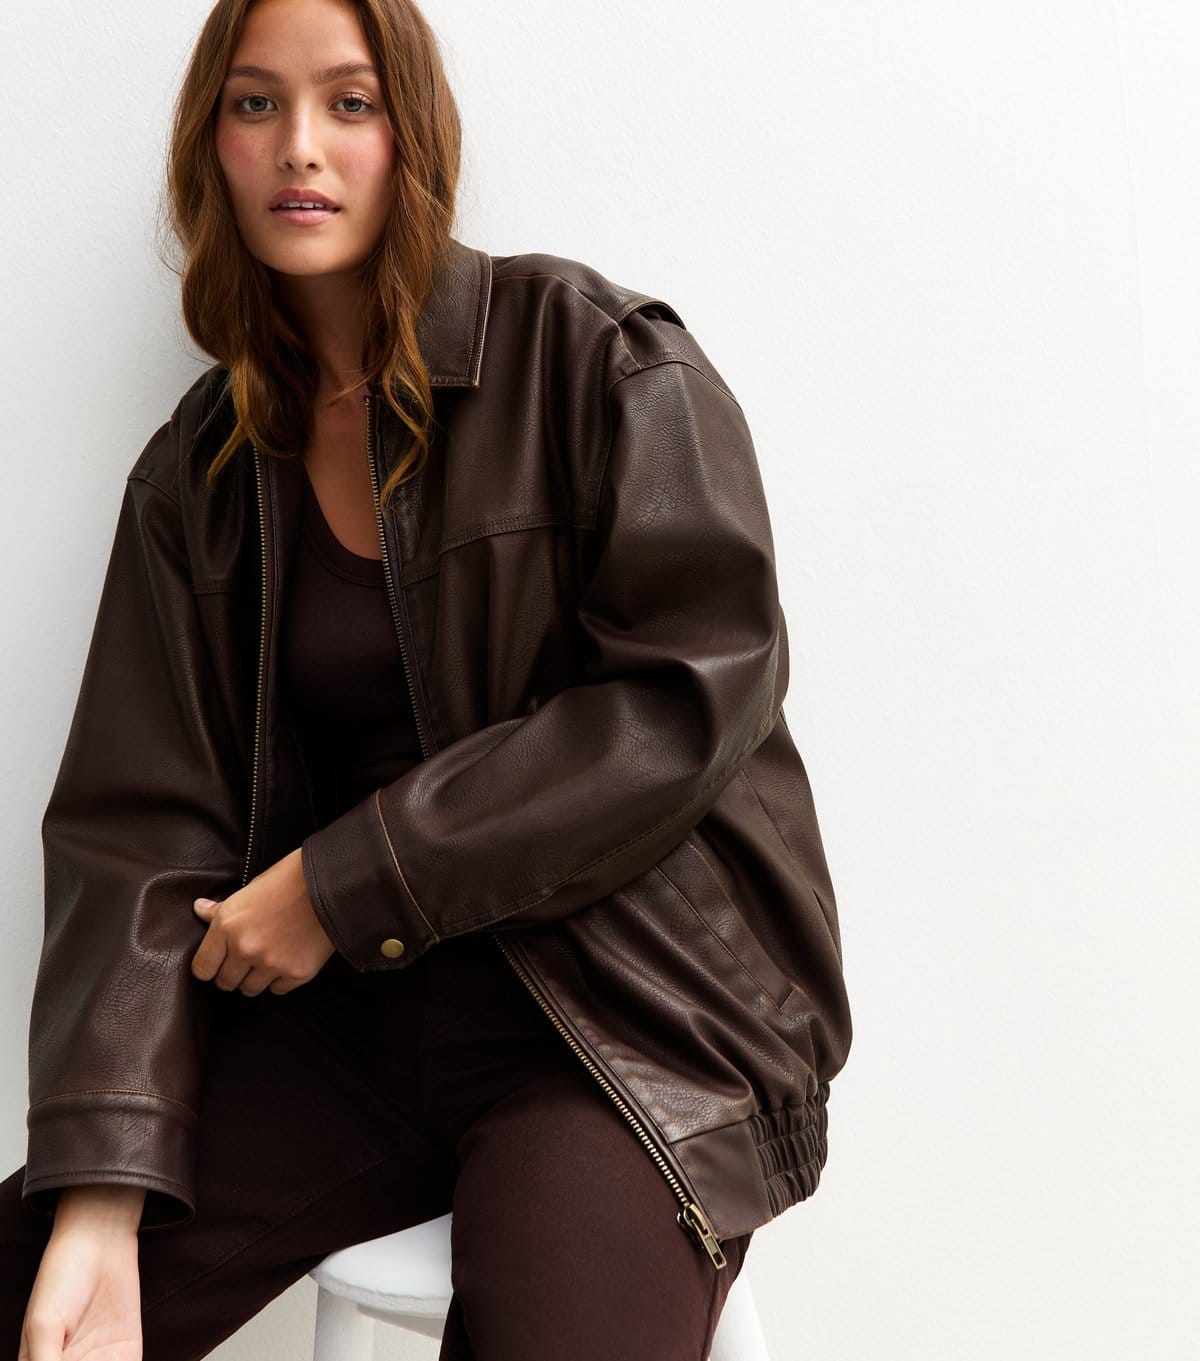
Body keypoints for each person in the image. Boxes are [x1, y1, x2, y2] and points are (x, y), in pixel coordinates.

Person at [0, 0, 853, 1357]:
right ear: (211, 145)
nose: (301, 145)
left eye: (350, 103)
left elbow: (685, 699)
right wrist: (100, 1197)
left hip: (625, 1016)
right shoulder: (201, 472)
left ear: (414, 137)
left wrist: (339, 884)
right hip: (355, 1030)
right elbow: (137, 825)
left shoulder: (596, 359)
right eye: (256, 103)